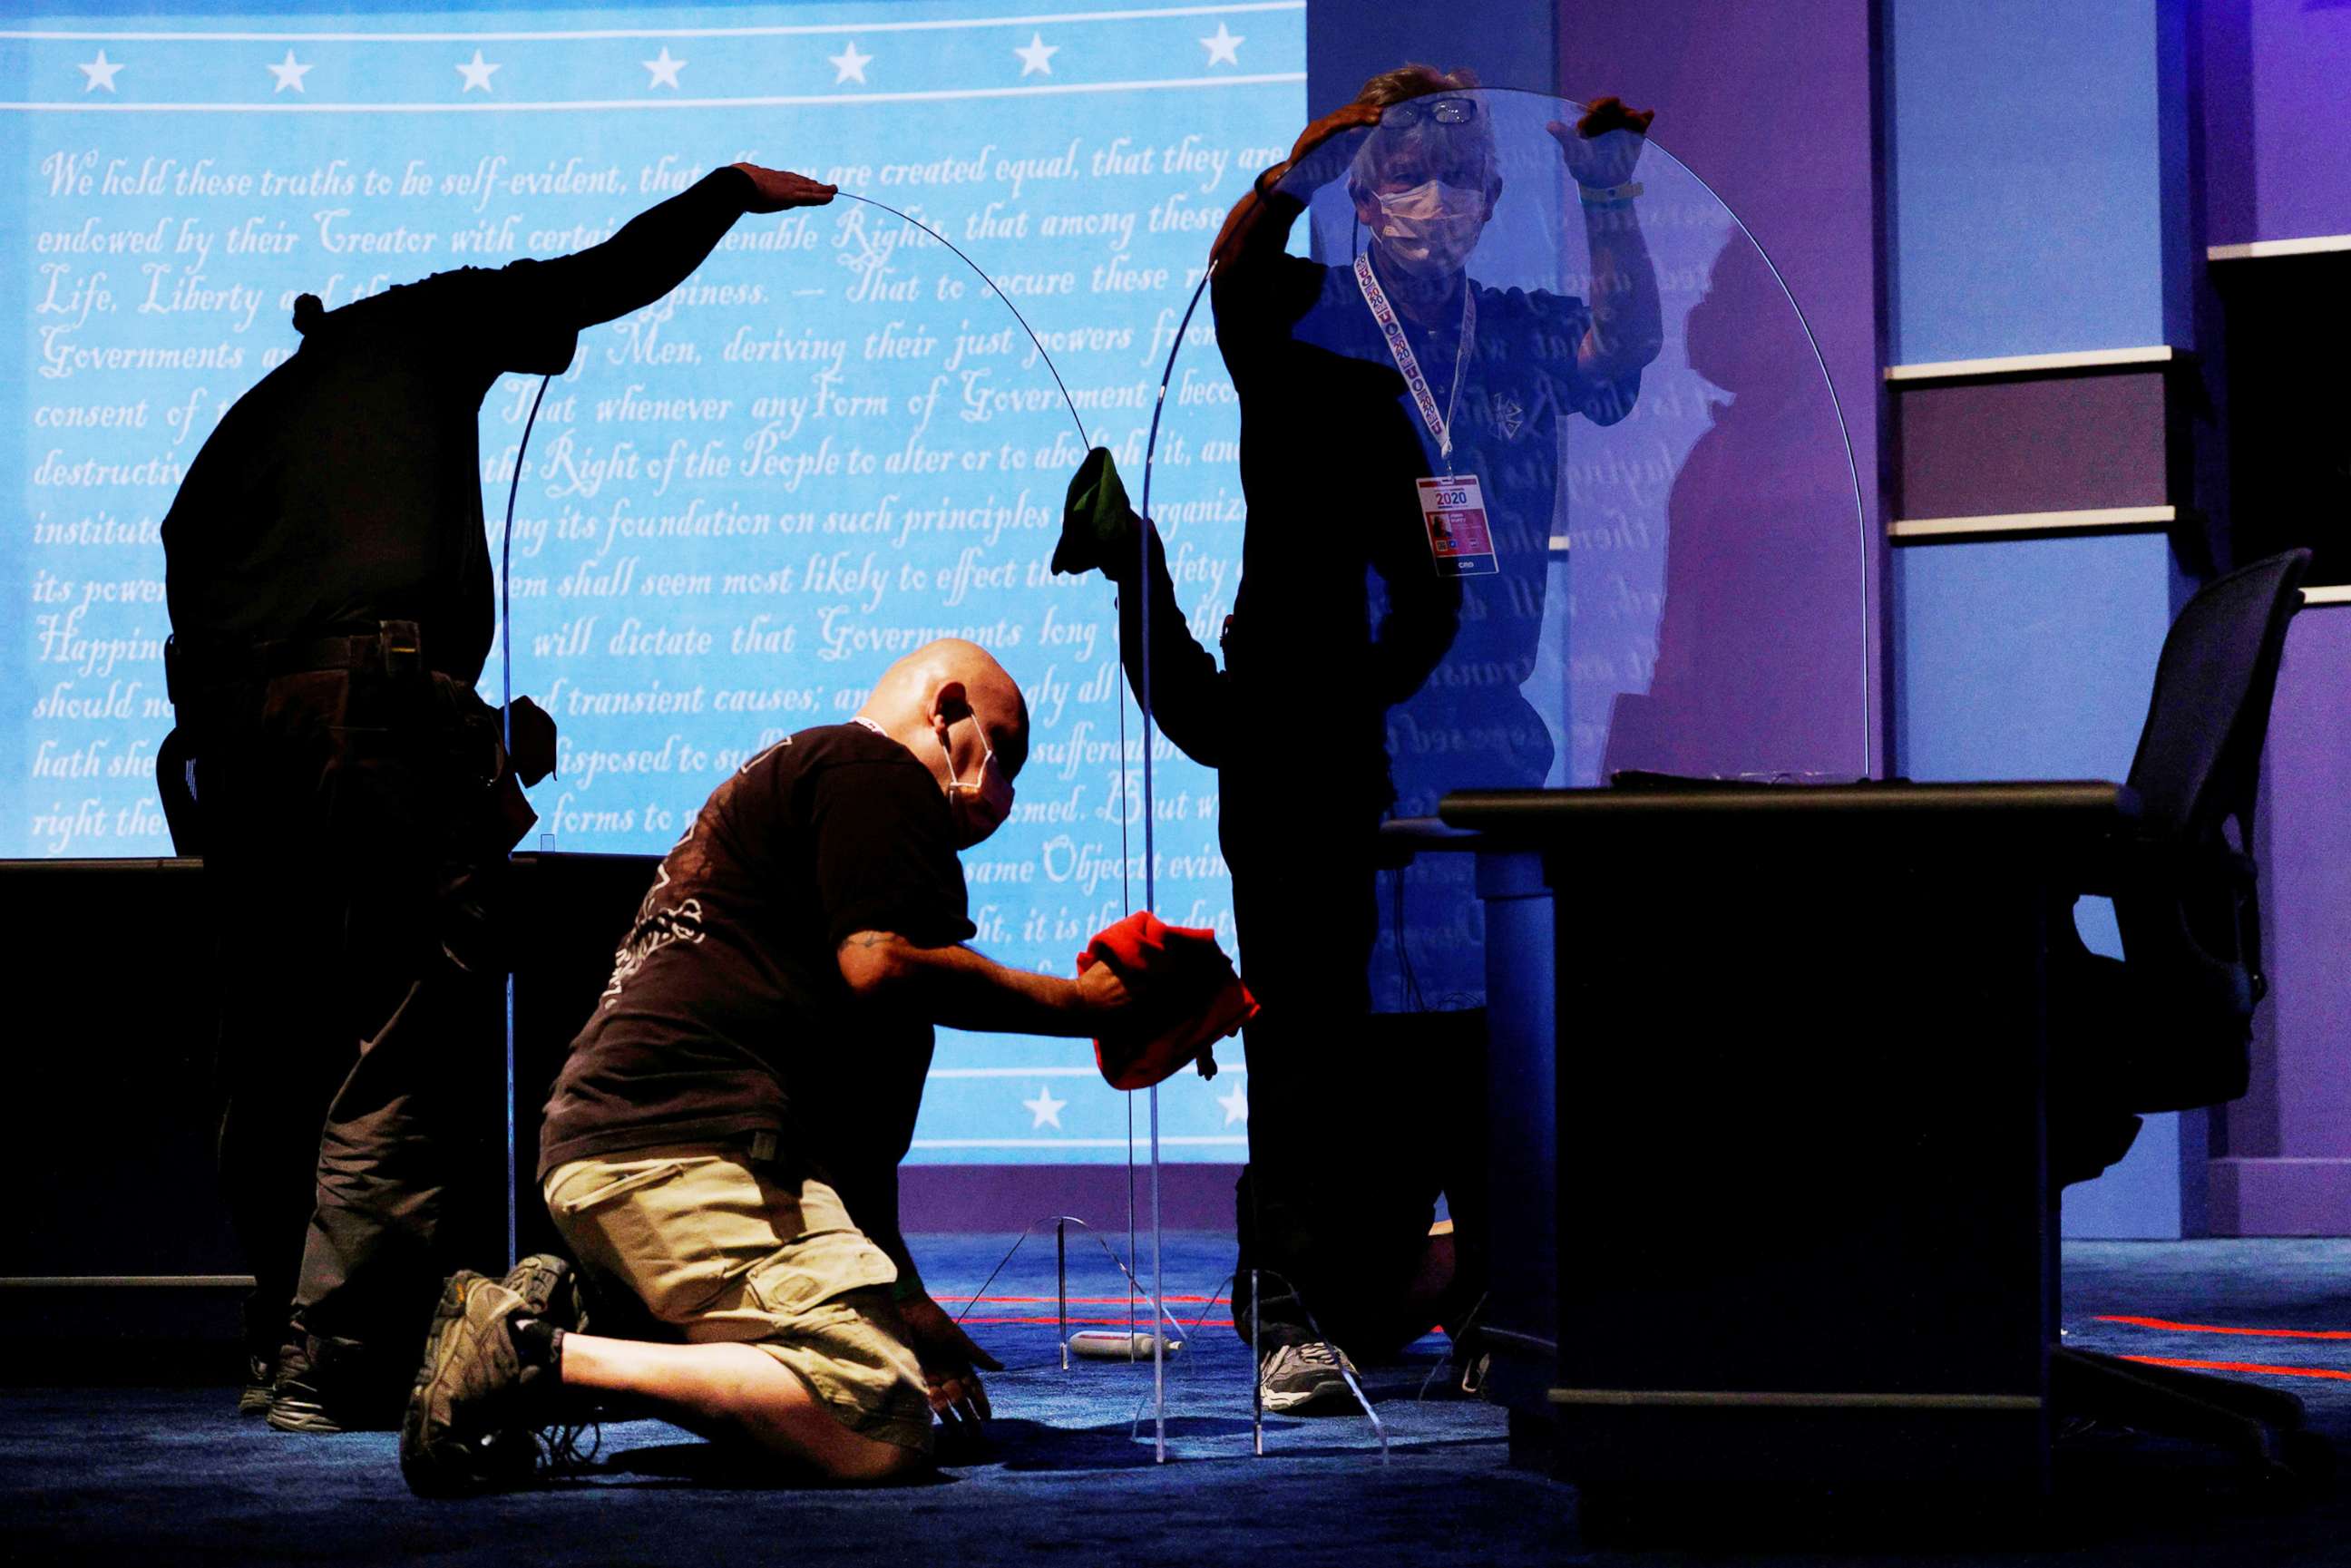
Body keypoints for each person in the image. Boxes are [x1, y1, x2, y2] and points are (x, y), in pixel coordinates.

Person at [160, 159, 839, 1432]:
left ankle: (275, 1337)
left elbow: (199, 593)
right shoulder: (433, 316)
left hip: (243, 753)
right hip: (379, 730)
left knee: (272, 1046)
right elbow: (600, 276)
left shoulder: (244, 434)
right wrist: (726, 195)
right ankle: (330, 1363)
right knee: (398, 1042)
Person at [1060, 67, 1661, 1411]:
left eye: (1460, 180)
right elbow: (1233, 273)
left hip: (1478, 724)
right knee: (1308, 1028)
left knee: (1487, 1029)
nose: (1432, 201)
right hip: (1316, 727)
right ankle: (1286, 1309)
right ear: (1367, 198)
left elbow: (1617, 364)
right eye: (1403, 178)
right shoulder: (1305, 316)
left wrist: (1611, 197)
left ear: (1496, 200)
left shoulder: (1509, 330)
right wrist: (1303, 166)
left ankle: (1506, 1295)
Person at [400, 639, 1142, 1495]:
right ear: (944, 712)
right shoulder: (877, 770)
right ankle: (534, 1351)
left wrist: (898, 1297)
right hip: (687, 1150)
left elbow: (854, 1121)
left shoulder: (802, 785)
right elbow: (881, 962)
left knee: (852, 1369)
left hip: (603, 1147)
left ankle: (584, 1305)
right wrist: (1083, 1006)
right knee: (878, 1412)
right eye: (1002, 752)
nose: (1005, 791)